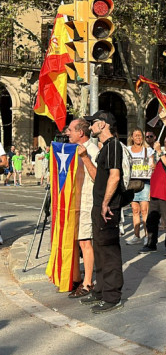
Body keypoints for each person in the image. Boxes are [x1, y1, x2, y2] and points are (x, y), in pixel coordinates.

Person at [79, 111, 125, 313]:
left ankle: (112, 297)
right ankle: (100, 290)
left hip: (108, 207)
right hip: (99, 206)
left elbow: (114, 176)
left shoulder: (114, 145)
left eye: (94, 123)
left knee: (109, 252)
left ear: (104, 124)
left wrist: (106, 202)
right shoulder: (105, 147)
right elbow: (101, 176)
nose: (90, 126)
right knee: (99, 249)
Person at [65, 118, 99, 299]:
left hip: (87, 202)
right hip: (75, 204)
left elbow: (97, 177)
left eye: (70, 130)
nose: (67, 133)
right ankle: (78, 278)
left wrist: (85, 157)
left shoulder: (92, 150)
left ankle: (88, 282)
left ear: (80, 133)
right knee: (79, 242)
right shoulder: (72, 149)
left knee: (86, 242)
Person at [126, 128, 155, 245]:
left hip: (145, 182)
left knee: (144, 210)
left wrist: (153, 166)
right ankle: (136, 235)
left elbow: (153, 165)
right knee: (135, 210)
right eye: (136, 135)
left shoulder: (148, 151)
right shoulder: (127, 150)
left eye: (140, 135)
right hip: (132, 183)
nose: (138, 137)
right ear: (132, 137)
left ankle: (147, 236)